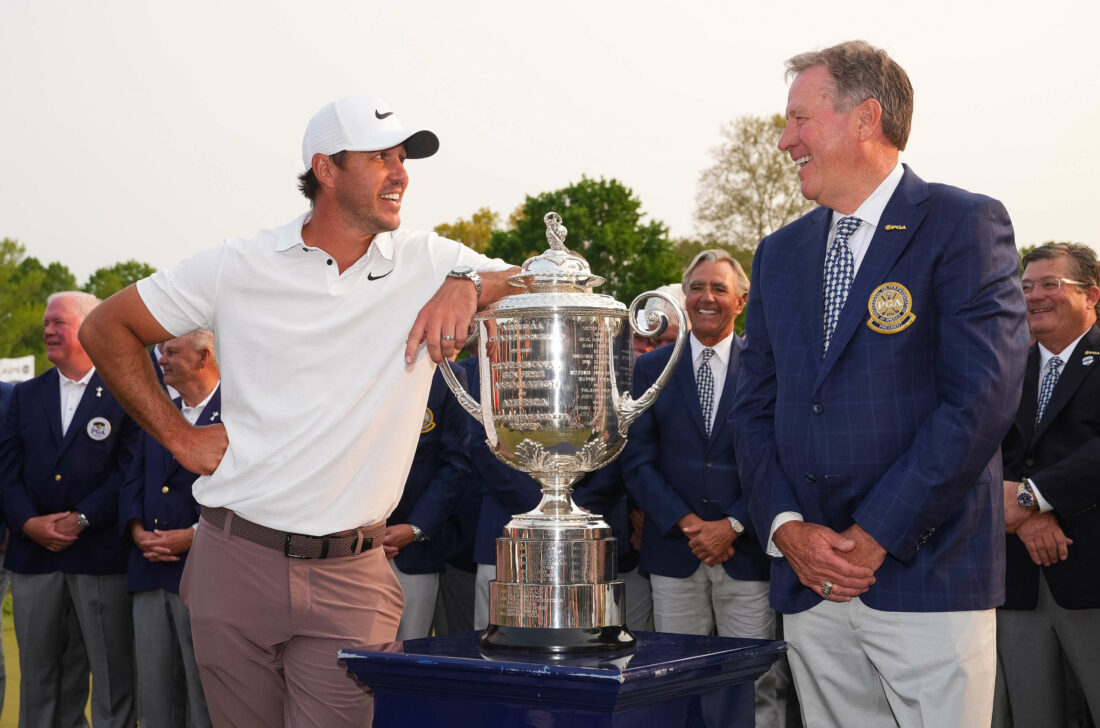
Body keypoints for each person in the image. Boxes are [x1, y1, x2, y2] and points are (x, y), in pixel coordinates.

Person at [78, 95, 517, 727]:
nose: (401, 173)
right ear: (326, 168)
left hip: (353, 576)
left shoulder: (431, 261)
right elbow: (106, 326)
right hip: (235, 559)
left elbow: (544, 279)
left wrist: (470, 285)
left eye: (403, 159)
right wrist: (179, 437)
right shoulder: (236, 263)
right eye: (381, 158)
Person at [729, 40, 1028, 727]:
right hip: (810, 583)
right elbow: (754, 411)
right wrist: (787, 530)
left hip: (927, 578)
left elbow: (980, 398)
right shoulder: (779, 254)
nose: (784, 140)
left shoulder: (962, 225)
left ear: (866, 119)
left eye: (800, 120)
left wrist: (875, 534)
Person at [621, 249, 778, 727]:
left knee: (755, 683)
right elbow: (637, 461)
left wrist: (732, 524)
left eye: (719, 289)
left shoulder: (769, 366)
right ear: (684, 296)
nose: (706, 297)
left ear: (742, 301)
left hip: (746, 552)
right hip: (675, 550)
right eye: (696, 287)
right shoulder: (651, 369)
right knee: (675, 682)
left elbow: (780, 458)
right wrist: (689, 523)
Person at [0, 291, 139, 727]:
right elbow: (7, 471)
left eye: (58, 321)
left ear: (89, 327)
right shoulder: (25, 395)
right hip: (33, 556)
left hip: (98, 557)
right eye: (46, 322)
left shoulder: (125, 390)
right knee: (39, 680)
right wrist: (27, 522)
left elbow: (128, 470)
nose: (47, 329)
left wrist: (81, 518)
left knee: (111, 680)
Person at [997, 242, 1100, 727]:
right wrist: (1027, 517)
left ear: (1092, 295)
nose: (1035, 296)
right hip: (1017, 581)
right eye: (1028, 286)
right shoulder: (1001, 366)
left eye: (1051, 284)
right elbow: (976, 445)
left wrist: (1032, 498)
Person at [120, 330, 220, 728]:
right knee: (154, 695)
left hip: (208, 575)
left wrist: (195, 535)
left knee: (205, 697)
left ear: (204, 357)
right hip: (150, 570)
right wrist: (137, 529)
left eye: (171, 352)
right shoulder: (159, 413)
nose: (160, 360)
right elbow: (134, 479)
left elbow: (248, 492)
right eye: (160, 351)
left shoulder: (241, 412)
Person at [383, 365, 473, 640]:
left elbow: (456, 463)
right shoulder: (356, 365)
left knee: (409, 651)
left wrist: (416, 528)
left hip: (412, 549)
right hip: (351, 544)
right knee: (348, 658)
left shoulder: (446, 375)